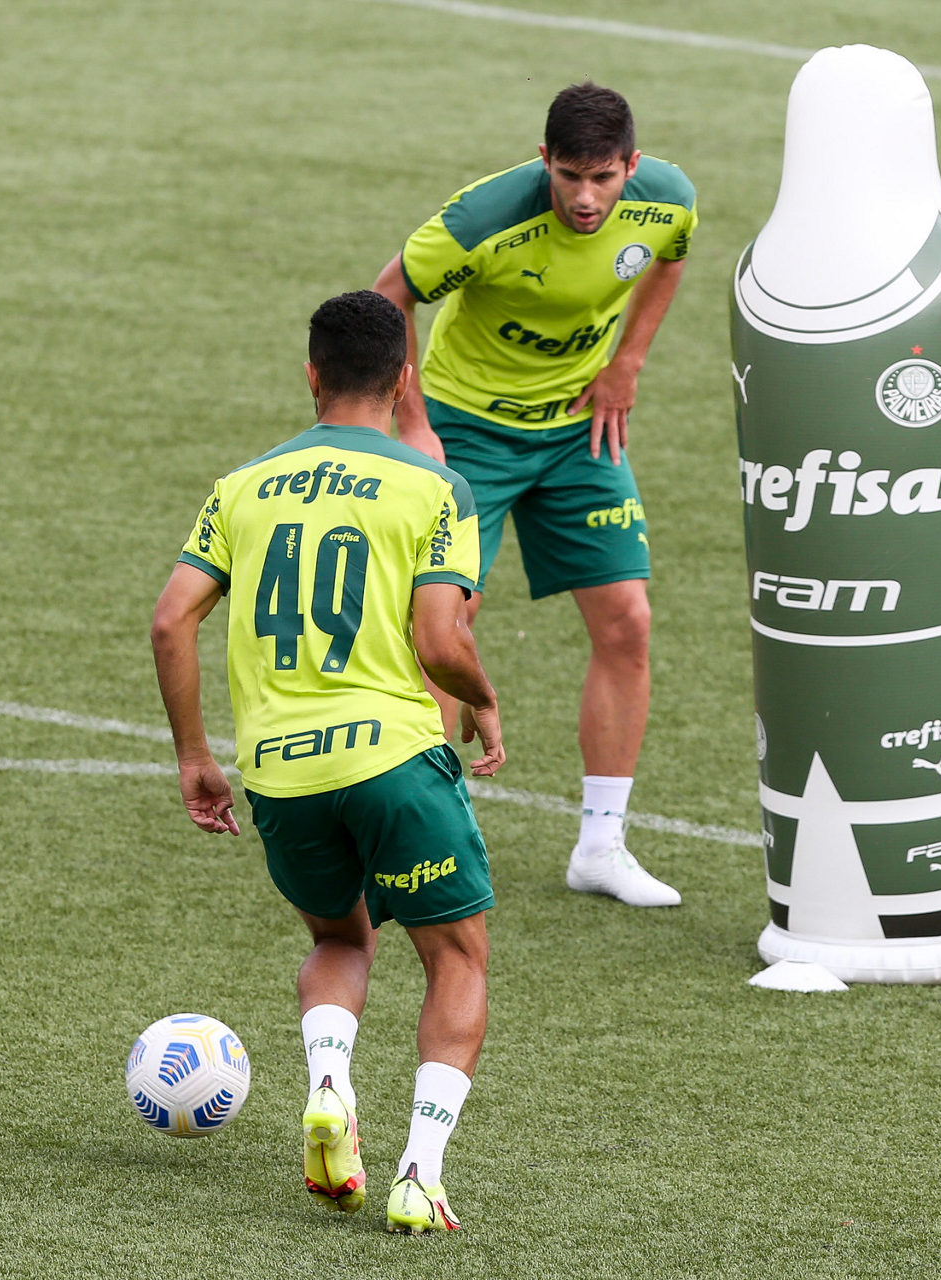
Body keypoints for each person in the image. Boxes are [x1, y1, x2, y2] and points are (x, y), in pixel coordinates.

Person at [150, 290, 502, 1234]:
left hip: (281, 773)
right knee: (456, 956)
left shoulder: (241, 486)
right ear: (404, 380)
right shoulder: (435, 486)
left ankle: (330, 1087)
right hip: (394, 761)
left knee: (341, 941)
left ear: (311, 375)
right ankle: (419, 1173)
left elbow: (170, 620)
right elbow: (440, 642)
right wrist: (481, 697)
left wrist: (194, 755)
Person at [373, 81, 696, 908]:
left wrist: (627, 363)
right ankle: (420, 839)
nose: (585, 198)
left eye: (602, 178)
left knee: (626, 620)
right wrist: (413, 421)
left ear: (630, 165)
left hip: (577, 430)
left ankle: (600, 846)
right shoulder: (480, 221)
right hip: (469, 432)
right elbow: (387, 296)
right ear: (543, 159)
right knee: (445, 627)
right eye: (568, 177)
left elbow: (670, 258)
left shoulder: (666, 200)